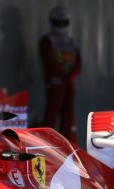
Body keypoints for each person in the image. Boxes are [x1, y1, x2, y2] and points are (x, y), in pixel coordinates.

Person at [40, 5, 81, 144]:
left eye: (63, 23)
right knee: (50, 117)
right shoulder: (47, 40)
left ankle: (68, 146)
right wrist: (67, 76)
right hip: (56, 84)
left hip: (68, 83)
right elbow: (50, 61)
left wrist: (70, 76)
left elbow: (78, 62)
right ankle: (44, 145)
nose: (61, 26)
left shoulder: (72, 41)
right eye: (58, 23)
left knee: (68, 118)